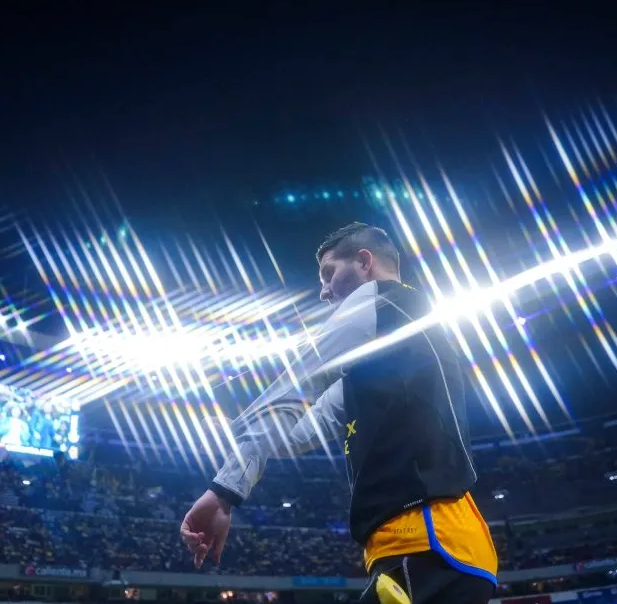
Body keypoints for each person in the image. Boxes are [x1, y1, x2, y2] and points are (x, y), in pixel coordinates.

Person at [180, 222, 497, 604]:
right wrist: (235, 437)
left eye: (329, 273)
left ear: (364, 263)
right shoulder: (388, 349)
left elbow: (293, 388)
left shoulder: (383, 300)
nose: (324, 290)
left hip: (427, 541)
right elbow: (297, 431)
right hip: (430, 546)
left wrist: (225, 490)